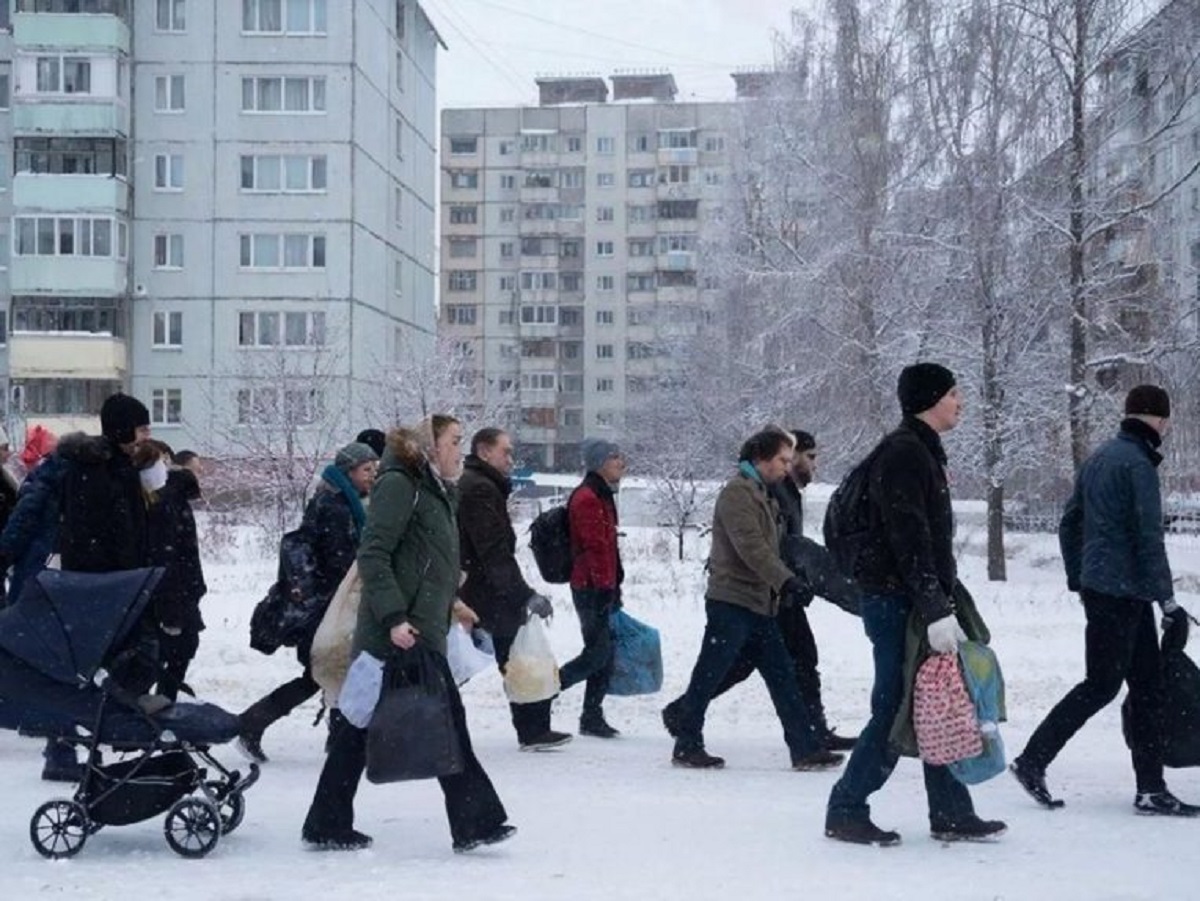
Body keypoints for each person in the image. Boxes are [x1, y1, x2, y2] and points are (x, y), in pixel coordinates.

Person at [301, 417, 516, 852]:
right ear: (430, 446)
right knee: (435, 724)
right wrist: (395, 617)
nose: (460, 449)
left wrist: (454, 606)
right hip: (396, 634)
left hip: (421, 629)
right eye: (454, 442)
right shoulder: (399, 484)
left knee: (359, 732)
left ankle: (327, 821)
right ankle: (474, 821)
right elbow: (375, 555)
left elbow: (426, 560)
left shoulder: (435, 488)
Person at [825, 363, 1006, 846]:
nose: (960, 401)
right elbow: (909, 537)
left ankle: (949, 809)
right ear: (930, 398)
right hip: (896, 600)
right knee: (894, 703)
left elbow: (920, 539)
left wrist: (936, 600)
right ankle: (846, 807)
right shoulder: (905, 453)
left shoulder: (920, 450)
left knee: (937, 698)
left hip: (910, 597)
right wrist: (933, 606)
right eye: (953, 393)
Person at [1011, 385, 1199, 816]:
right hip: (1123, 593)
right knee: (1101, 685)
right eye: (1165, 420)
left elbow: (1069, 523)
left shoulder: (1099, 459)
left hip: (1109, 591)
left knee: (1147, 687)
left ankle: (1151, 788)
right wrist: (1168, 602)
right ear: (1157, 419)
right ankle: (1032, 760)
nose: (1167, 428)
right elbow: (1149, 539)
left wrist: (1081, 577)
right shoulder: (1137, 466)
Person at [662, 430, 859, 750]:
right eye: (802, 457)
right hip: (745, 596)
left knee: (780, 669)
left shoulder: (770, 491)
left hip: (770, 595)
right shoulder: (745, 493)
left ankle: (807, 744)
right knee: (722, 669)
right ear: (767, 459)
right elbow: (757, 548)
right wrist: (789, 580)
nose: (811, 465)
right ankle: (686, 730)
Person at [239, 441, 379, 763]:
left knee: (334, 672)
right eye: (366, 470)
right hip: (327, 606)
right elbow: (337, 558)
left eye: (374, 469)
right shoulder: (335, 506)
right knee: (327, 673)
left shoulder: (348, 502)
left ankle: (259, 724)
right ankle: (254, 723)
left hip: (336, 603)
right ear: (348, 472)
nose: (372, 475)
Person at [458, 427, 570, 750]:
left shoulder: (481, 485)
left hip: (482, 588)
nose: (511, 458)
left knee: (493, 655)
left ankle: (533, 728)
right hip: (488, 592)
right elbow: (493, 551)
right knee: (516, 655)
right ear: (484, 452)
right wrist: (524, 594)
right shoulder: (480, 489)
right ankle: (533, 729)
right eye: (505, 452)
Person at [559, 438, 626, 738]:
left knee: (604, 653)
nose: (621, 463)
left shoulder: (602, 494)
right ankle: (547, 691)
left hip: (601, 585)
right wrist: (604, 589)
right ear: (600, 463)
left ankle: (591, 715)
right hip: (590, 588)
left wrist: (614, 585)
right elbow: (595, 548)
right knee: (597, 654)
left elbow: (608, 546)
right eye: (614, 458)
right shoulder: (588, 498)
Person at [136, 440, 208, 703]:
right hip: (170, 593)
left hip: (171, 591)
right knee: (171, 651)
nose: (166, 467)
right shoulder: (164, 502)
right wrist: (172, 608)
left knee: (172, 652)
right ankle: (156, 706)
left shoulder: (164, 499)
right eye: (161, 462)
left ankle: (157, 705)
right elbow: (168, 556)